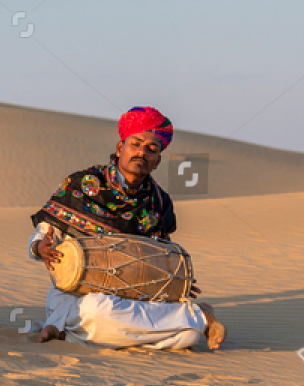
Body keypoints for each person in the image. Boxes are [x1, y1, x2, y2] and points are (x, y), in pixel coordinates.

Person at [28, 106, 225, 350]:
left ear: (157, 161)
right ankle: (196, 318)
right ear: (121, 148)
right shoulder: (84, 184)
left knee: (188, 338)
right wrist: (40, 247)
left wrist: (173, 277)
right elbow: (44, 233)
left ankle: (68, 333)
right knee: (95, 310)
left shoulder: (159, 203)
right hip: (74, 295)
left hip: (130, 298)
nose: (142, 153)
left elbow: (159, 256)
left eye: (151, 150)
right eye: (136, 144)